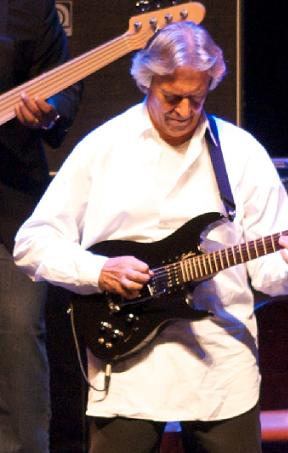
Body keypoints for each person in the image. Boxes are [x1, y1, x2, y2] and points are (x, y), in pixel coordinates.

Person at [13, 21, 288, 453]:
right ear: (147, 81)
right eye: (171, 97)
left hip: (220, 366)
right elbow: (33, 243)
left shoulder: (241, 152)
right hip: (127, 365)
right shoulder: (104, 147)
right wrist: (99, 270)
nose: (184, 110)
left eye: (197, 98)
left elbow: (268, 274)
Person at [0, 0, 82, 451]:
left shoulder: (30, 10)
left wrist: (50, 108)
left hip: (9, 206)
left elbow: (64, 83)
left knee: (18, 337)